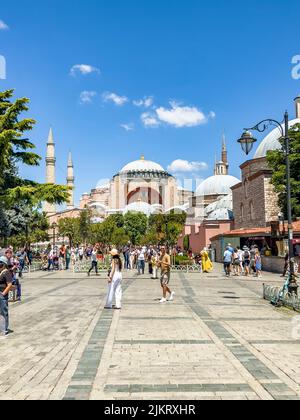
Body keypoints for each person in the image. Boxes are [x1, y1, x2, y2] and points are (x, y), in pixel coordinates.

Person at [0, 257, 13, 336]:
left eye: (0, 263)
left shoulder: (6, 272)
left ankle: (4, 329)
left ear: (4, 264)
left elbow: (9, 285)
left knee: (4, 312)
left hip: (2, 295)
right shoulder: (1, 272)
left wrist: (3, 294)